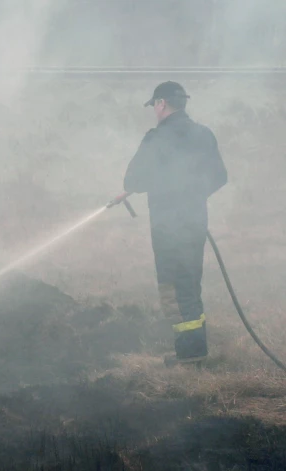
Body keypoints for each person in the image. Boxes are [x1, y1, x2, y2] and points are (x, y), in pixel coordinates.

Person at [123, 81, 227, 366]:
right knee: (190, 283)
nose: (155, 111)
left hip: (168, 228)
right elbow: (220, 176)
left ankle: (190, 356)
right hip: (195, 222)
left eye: (154, 106)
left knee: (174, 288)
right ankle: (195, 349)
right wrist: (191, 195)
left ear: (161, 104)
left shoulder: (157, 138)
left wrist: (166, 189)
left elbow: (132, 180)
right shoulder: (204, 134)